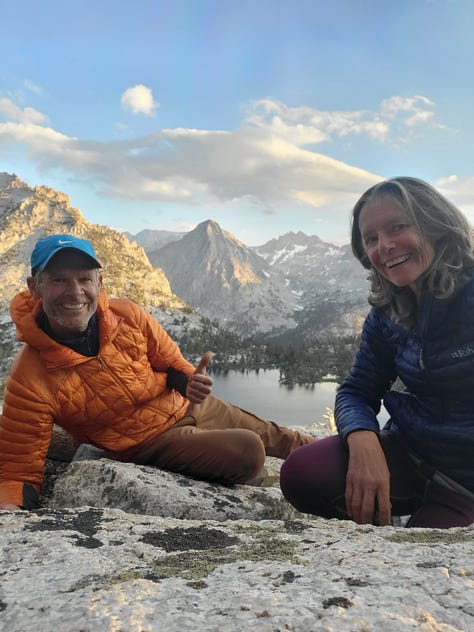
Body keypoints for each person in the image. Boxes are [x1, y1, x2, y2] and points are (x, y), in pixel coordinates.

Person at [0, 234, 315, 511]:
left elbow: (170, 361)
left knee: (282, 437)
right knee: (249, 450)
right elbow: (18, 468)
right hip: (149, 441)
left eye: (84, 279)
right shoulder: (30, 376)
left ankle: (343, 460)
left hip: (186, 405)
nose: (75, 292)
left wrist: (189, 382)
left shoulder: (128, 315)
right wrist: (12, 512)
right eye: (58, 280)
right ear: (35, 287)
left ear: (99, 283)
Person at [280, 176, 474, 528]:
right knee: (301, 472)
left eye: (398, 227)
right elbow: (357, 389)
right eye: (371, 238)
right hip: (411, 455)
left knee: (421, 570)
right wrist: (363, 439)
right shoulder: (389, 311)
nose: (383, 246)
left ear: (437, 226)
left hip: (466, 485)